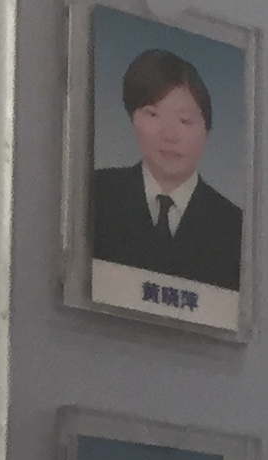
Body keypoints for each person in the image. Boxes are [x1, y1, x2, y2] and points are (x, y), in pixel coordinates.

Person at [88, 46, 243, 288]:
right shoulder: (94, 193)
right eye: (152, 114)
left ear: (207, 129)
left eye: (185, 121)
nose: (169, 135)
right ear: (132, 119)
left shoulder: (235, 227)